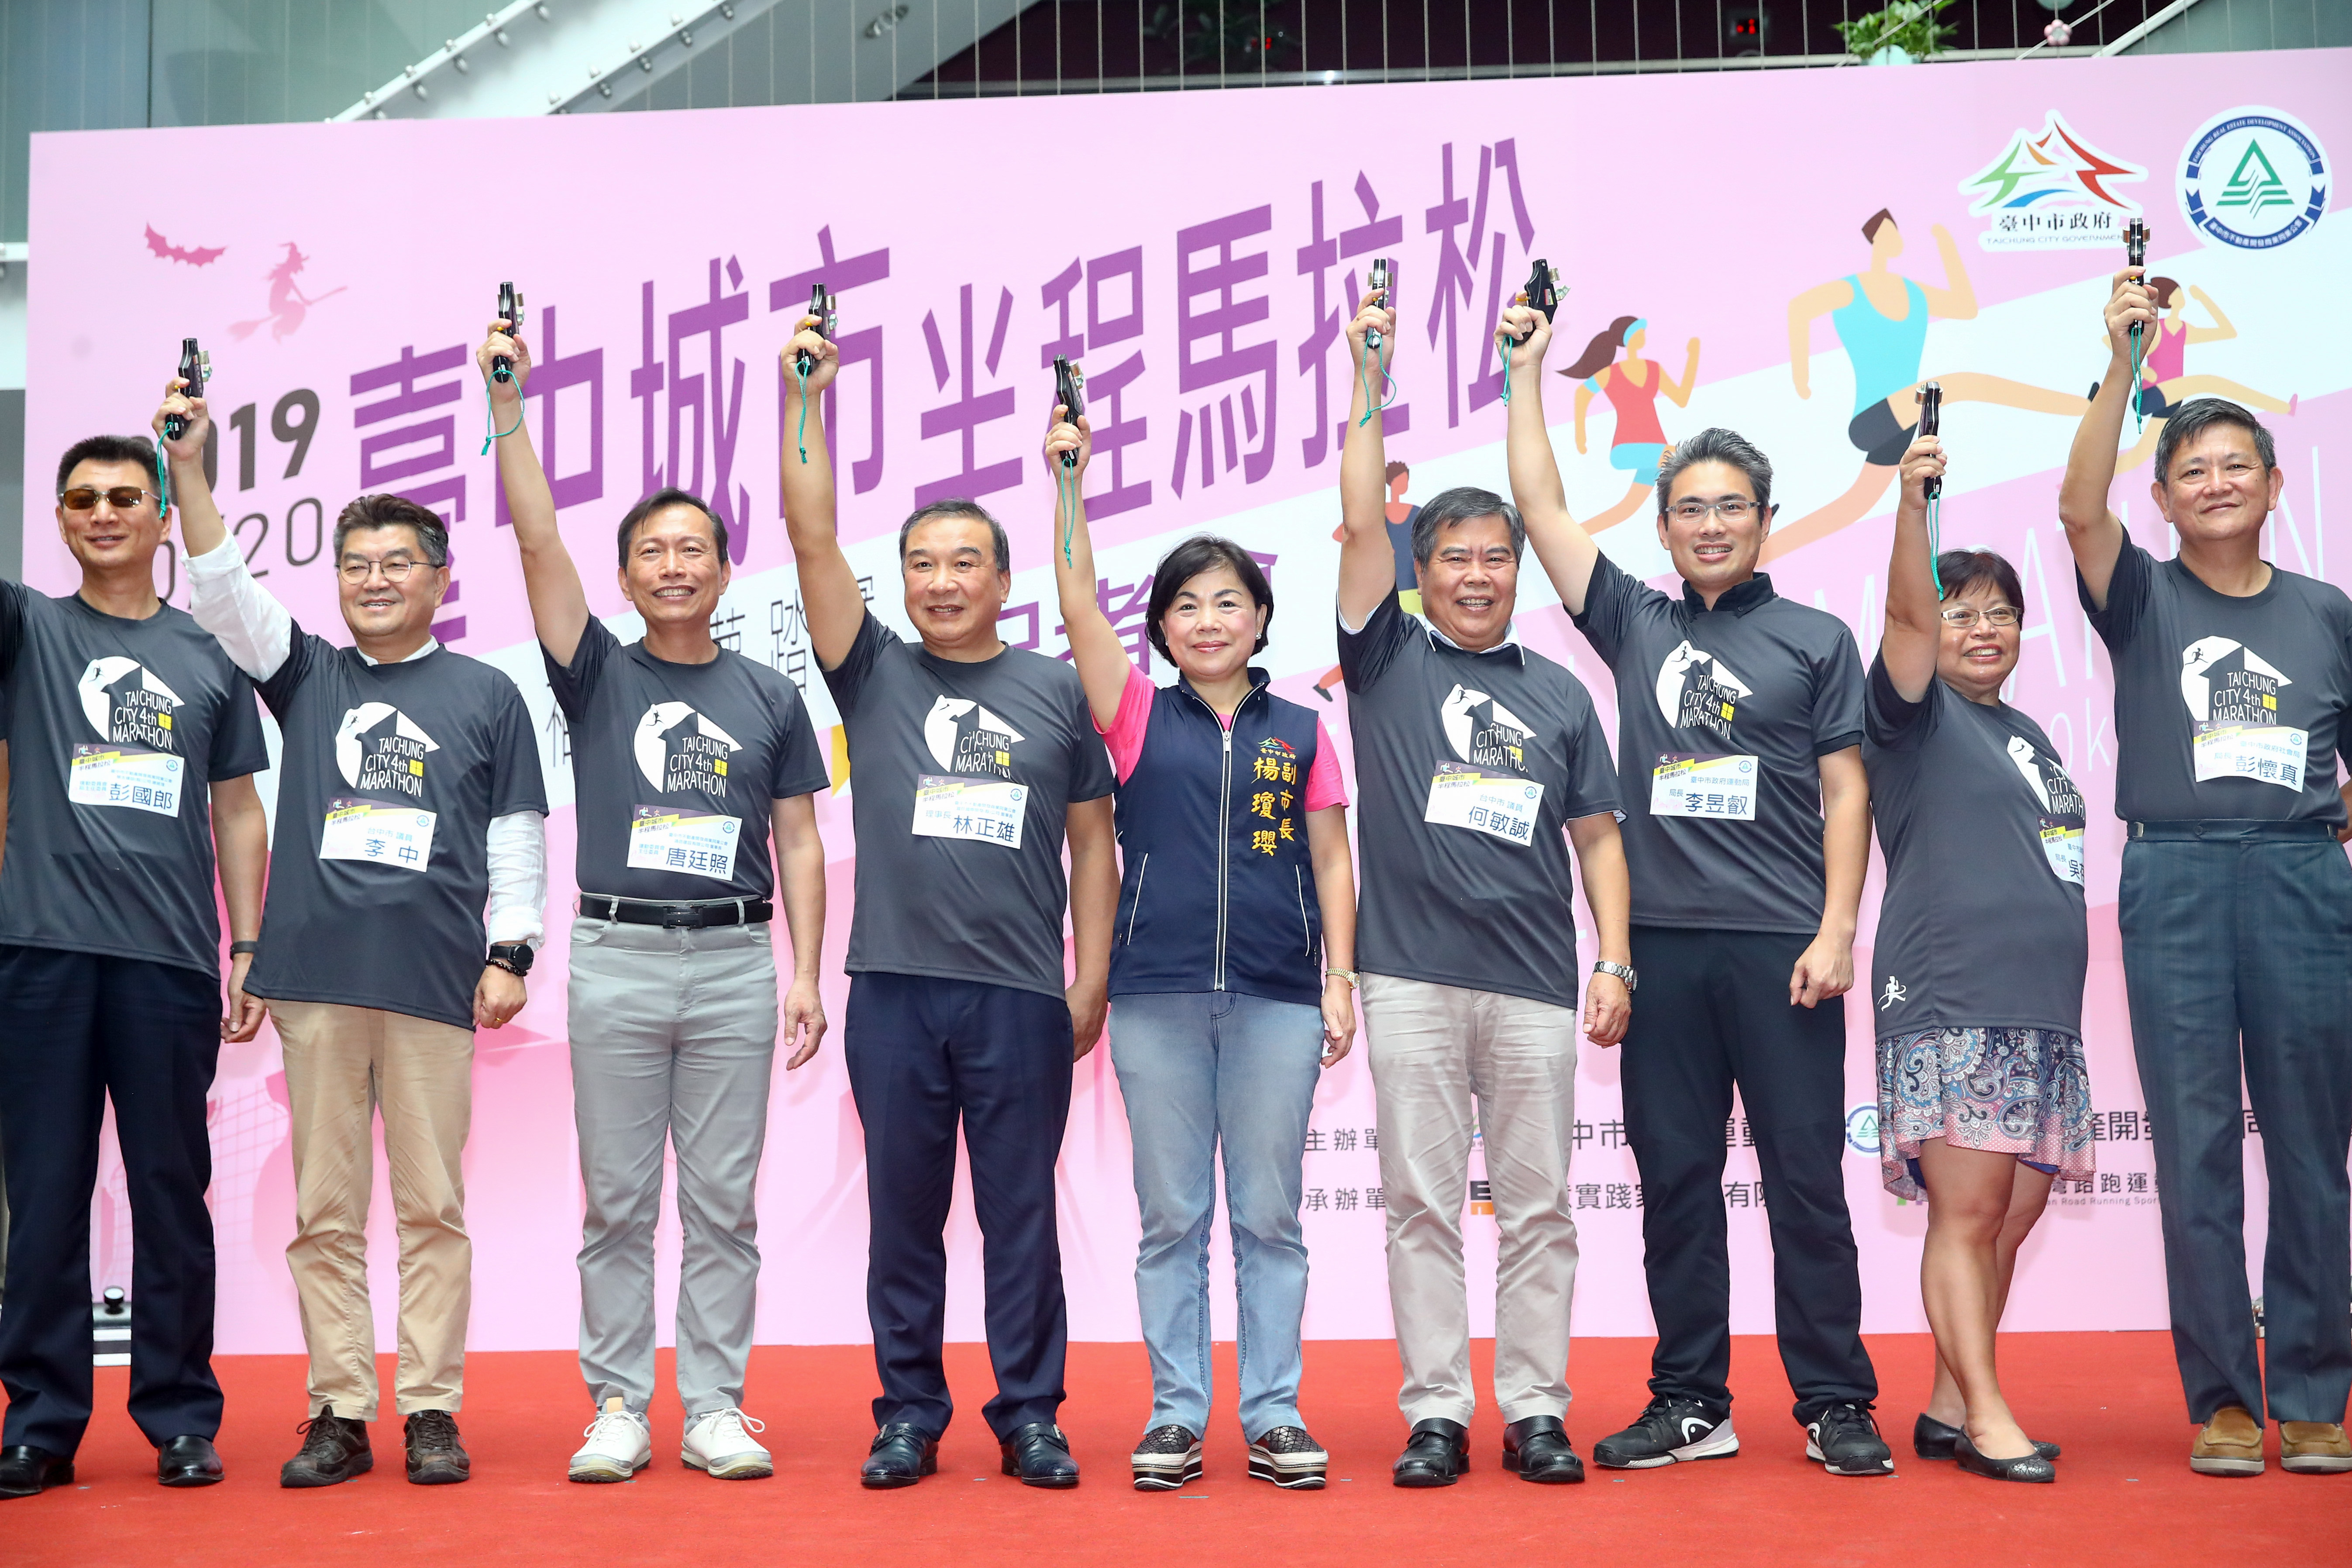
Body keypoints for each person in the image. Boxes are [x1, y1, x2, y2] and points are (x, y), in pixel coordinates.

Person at [1501, 298, 1892, 1477]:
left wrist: (1836, 929)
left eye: (1730, 506)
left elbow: (1846, 792)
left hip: (1782, 949)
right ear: (1662, 527)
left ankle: (1834, 1400)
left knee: (1804, 1180)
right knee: (1674, 1180)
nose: (1709, 524)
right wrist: (1526, 370)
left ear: (1763, 520)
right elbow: (1540, 507)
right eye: (1688, 508)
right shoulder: (1635, 622)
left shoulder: (1816, 639)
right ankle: (1689, 1399)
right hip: (1662, 951)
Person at [161, 380, 550, 1489]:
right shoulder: (309, 676)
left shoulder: (487, 693)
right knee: (324, 1212)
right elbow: (222, 587)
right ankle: (338, 1407)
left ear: (440, 578)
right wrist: (188, 470)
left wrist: (511, 951)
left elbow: (517, 834)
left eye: (397, 564)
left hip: (433, 987)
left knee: (433, 1209)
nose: (374, 581)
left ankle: (431, 1408)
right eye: (355, 566)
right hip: (318, 985)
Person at [477, 320, 831, 1485]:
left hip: (733, 962)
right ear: (625, 577)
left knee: (724, 1202)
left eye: (693, 550)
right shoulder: (597, 672)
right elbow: (538, 539)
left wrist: (803, 972)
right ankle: (619, 1405)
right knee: (619, 1201)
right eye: (651, 552)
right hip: (618, 955)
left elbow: (799, 840)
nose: (673, 566)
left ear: (725, 573)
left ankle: (716, 1404)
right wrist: (508, 408)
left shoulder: (769, 693)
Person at [779, 317, 1118, 1490]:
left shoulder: (1053, 690)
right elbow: (810, 534)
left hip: (1019, 995)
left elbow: (1093, 845)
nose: (941, 581)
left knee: (1021, 1215)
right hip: (893, 993)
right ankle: (908, 1413)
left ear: (1002, 581)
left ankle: (1030, 1414)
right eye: (922, 564)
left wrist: (1089, 977)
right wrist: (807, 399)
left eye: (964, 562)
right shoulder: (872, 669)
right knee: (903, 1218)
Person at [1338, 286, 1634, 1489]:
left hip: (1531, 986)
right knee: (1417, 1204)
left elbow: (1598, 841)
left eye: (1494, 557)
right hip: (1407, 977)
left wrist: (1612, 957)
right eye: (1452, 557)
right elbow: (1357, 520)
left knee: (1538, 1208)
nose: (1475, 574)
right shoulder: (1384, 658)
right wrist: (1368, 382)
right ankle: (1435, 1413)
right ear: (1419, 571)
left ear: (1519, 571)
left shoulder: (1559, 692)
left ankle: (1535, 1408)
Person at [2059, 271, 2352, 1479]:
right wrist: (2121, 360)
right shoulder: (2139, 596)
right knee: (2192, 1148)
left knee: (2311, 1147)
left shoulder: (2327, 612)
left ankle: (2317, 1392)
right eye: (2193, 470)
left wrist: (2322, 849)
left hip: (2300, 881)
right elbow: (2077, 506)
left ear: (2274, 487)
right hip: (2173, 880)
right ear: (2165, 498)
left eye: (2238, 465)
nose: (2217, 481)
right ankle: (2225, 1400)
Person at [1044, 405, 1359, 1492]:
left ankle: (1273, 1415)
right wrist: (1070, 485)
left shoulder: (1303, 731)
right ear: (1162, 630)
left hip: (1277, 998)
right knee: (1171, 1217)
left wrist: (1339, 977)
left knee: (1269, 1217)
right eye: (1185, 604)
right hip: (1157, 1000)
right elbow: (1076, 602)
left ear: (1260, 619)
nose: (1208, 619)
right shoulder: (1134, 715)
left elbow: (1332, 861)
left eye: (1228, 601)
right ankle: (1176, 1415)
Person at [0, 431, 270, 1499]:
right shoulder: (26, 629)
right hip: (42, 958)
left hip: (168, 964)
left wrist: (247, 944)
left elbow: (238, 809)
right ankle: (41, 1423)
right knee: (45, 1198)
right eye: (81, 500)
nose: (103, 513)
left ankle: (180, 1416)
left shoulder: (211, 653)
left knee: (169, 1194)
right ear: (59, 521)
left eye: (124, 496)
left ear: (163, 518)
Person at [1866, 431, 2095, 1485]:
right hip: (1950, 996)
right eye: (1961, 612)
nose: (1982, 627)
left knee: (2006, 1215)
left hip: (2037, 1007)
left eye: (2000, 611)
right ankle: (1990, 1419)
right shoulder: (1911, 716)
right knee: (1964, 1214)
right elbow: (1905, 618)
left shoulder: (2028, 735)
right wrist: (1912, 506)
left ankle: (1950, 1402)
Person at [1778, 210, 2082, 558]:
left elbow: (1965, 307)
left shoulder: (1912, 292)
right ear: (1878, 237)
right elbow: (1799, 308)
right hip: (1871, 419)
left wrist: (1947, 248)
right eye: (1891, 232)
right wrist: (1801, 375)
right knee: (1960, 384)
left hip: (1901, 424)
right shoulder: (1850, 290)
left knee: (1854, 505)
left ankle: (1772, 541)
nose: (1897, 239)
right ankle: (2080, 405)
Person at [2103, 276, 2296, 474]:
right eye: (2179, 294)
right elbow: (2109, 341)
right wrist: (2143, 370)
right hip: (2152, 395)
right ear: (2170, 300)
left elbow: (2227, 332)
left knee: (2139, 455)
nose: (2183, 298)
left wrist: (2203, 298)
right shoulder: (2157, 329)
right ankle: (2281, 406)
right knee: (2208, 382)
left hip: (2172, 400)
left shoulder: (2183, 329)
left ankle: (2287, 408)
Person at [1565, 316, 1701, 532]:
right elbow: (1582, 394)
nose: (1644, 337)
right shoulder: (1612, 373)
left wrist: (1693, 357)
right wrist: (1581, 435)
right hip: (1626, 449)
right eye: (1639, 333)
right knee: (1688, 457)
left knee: (1627, 508)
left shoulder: (1654, 369)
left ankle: (1576, 534)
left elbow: (1681, 398)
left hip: (1656, 450)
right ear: (1628, 339)